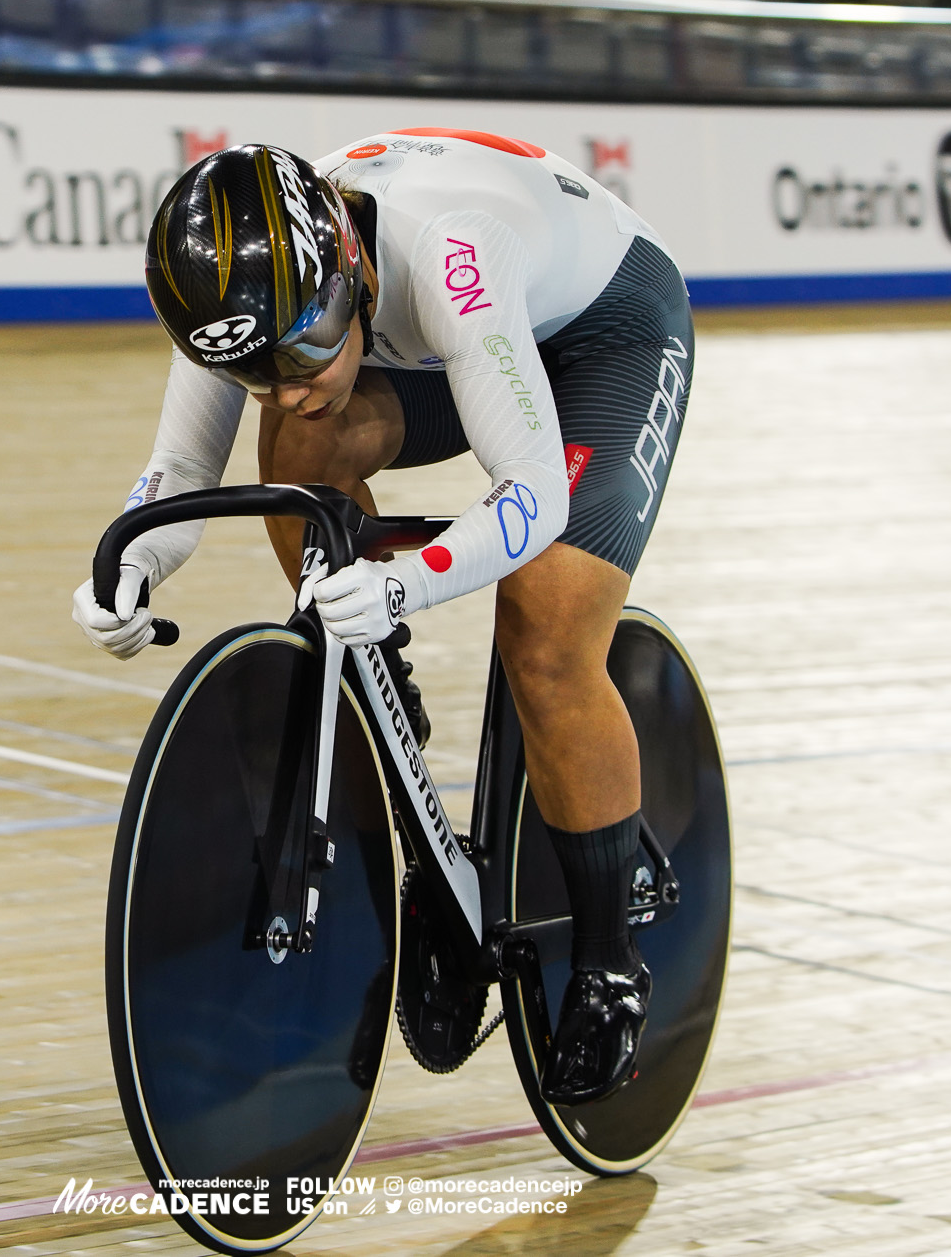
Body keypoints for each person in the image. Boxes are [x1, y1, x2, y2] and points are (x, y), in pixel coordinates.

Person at [72, 129, 693, 1106]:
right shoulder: (255, 295)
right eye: (257, 366)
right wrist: (128, 563)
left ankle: (612, 961)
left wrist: (403, 585)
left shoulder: (452, 252)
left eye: (308, 347)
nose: (288, 377)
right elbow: (182, 471)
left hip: (605, 334)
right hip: (458, 345)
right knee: (299, 444)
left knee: (544, 633)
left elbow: (532, 498)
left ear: (351, 267)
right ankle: (382, 706)